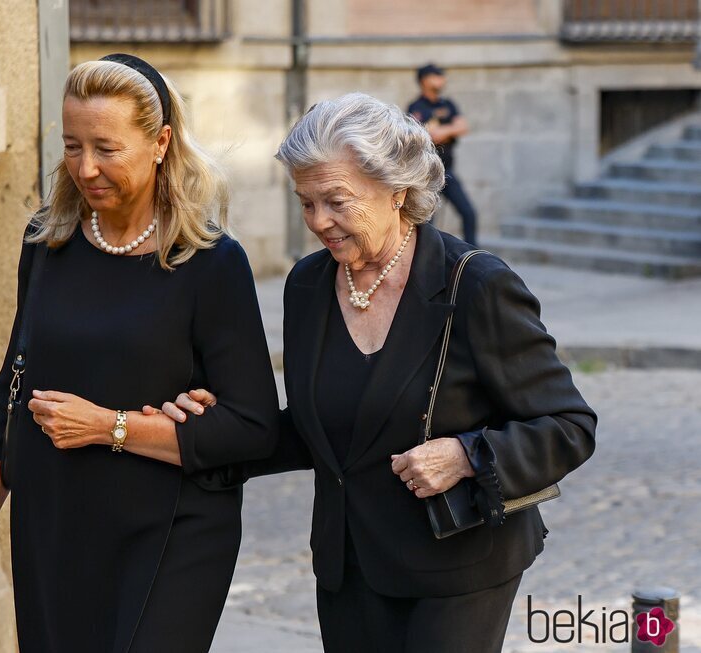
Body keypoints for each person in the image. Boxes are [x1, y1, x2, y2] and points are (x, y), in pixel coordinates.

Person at [150, 93, 597, 652]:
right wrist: (220, 428)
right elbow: (328, 430)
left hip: (457, 565)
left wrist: (466, 455)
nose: (319, 222)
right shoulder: (309, 285)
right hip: (349, 568)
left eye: (336, 201)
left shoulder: (475, 284)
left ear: (398, 192)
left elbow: (570, 426)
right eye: (306, 203)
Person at [0, 53, 280, 652]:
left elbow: (254, 427)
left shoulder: (209, 263)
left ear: (161, 143)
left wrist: (109, 427)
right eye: (73, 146)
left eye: (107, 147)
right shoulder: (46, 244)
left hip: (174, 530)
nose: (86, 167)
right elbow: (13, 394)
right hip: (55, 524)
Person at [407, 63, 478, 246]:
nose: (442, 80)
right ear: (425, 80)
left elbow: (462, 127)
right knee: (427, 223)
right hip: (426, 176)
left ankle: (473, 257)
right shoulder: (415, 107)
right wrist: (448, 130)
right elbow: (420, 135)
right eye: (437, 76)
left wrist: (442, 131)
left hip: (448, 171)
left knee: (468, 213)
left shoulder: (448, 104)